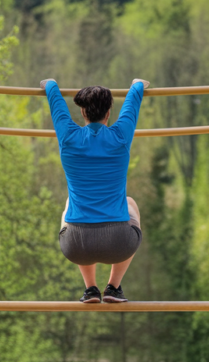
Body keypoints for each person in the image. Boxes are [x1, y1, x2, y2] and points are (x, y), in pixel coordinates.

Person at [40, 78, 150, 303]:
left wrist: (50, 84)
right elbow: (131, 107)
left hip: (75, 246)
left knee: (70, 205)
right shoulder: (120, 137)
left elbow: (57, 106)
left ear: (82, 112)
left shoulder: (69, 137)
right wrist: (137, 85)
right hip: (120, 244)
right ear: (109, 113)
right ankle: (113, 287)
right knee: (130, 203)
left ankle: (90, 289)